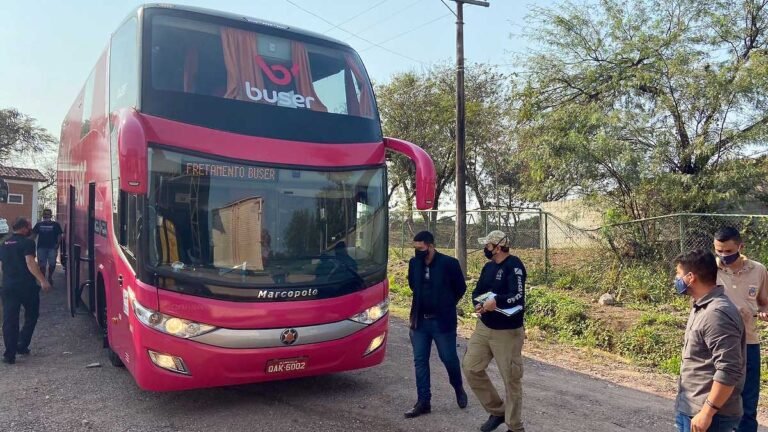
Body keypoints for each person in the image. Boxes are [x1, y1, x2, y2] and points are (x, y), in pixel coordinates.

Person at [674, 249, 745, 432]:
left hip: (712, 419)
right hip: (692, 409)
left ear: (691, 277)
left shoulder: (716, 314)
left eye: (678, 275)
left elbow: (729, 369)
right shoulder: (701, 307)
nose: (676, 280)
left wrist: (707, 412)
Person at [463, 230, 527, 432]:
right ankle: (497, 411)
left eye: (488, 246)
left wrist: (496, 301)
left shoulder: (514, 266)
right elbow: (478, 291)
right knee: (471, 367)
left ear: (498, 247)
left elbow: (517, 295)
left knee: (511, 379)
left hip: (507, 332)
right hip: (484, 326)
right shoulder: (488, 267)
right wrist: (478, 304)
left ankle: (515, 426)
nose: (485, 249)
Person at [404, 231, 468, 418]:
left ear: (431, 246)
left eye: (421, 248)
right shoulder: (414, 264)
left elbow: (460, 288)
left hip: (442, 322)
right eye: (415, 249)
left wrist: (446, 304)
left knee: (448, 358)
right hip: (419, 321)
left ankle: (458, 387)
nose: (418, 252)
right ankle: (424, 401)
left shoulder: (449, 264)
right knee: (420, 361)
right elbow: (413, 286)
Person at [713, 227, 768, 432]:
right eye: (719, 250)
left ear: (740, 247)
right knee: (717, 398)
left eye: (728, 251)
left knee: (748, 401)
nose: (723, 256)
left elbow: (765, 302)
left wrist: (764, 312)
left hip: (749, 344)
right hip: (717, 345)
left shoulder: (758, 270)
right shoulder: (710, 269)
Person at [1, 217, 52, 364]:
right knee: (32, 315)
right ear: (23, 228)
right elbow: (30, 263)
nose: (30, 229)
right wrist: (43, 280)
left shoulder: (4, 243)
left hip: (8, 287)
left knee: (10, 320)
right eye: (28, 227)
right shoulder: (28, 243)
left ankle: (9, 355)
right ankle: (22, 344)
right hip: (26, 287)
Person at [32, 209, 62, 285]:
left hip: (52, 248)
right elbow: (33, 235)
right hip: (41, 248)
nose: (46, 215)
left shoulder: (56, 224)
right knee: (42, 265)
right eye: (45, 214)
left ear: (51, 215)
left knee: (52, 264)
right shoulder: (38, 224)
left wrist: (58, 244)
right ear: (43, 215)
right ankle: (43, 279)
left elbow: (59, 235)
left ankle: (50, 276)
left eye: (48, 214)